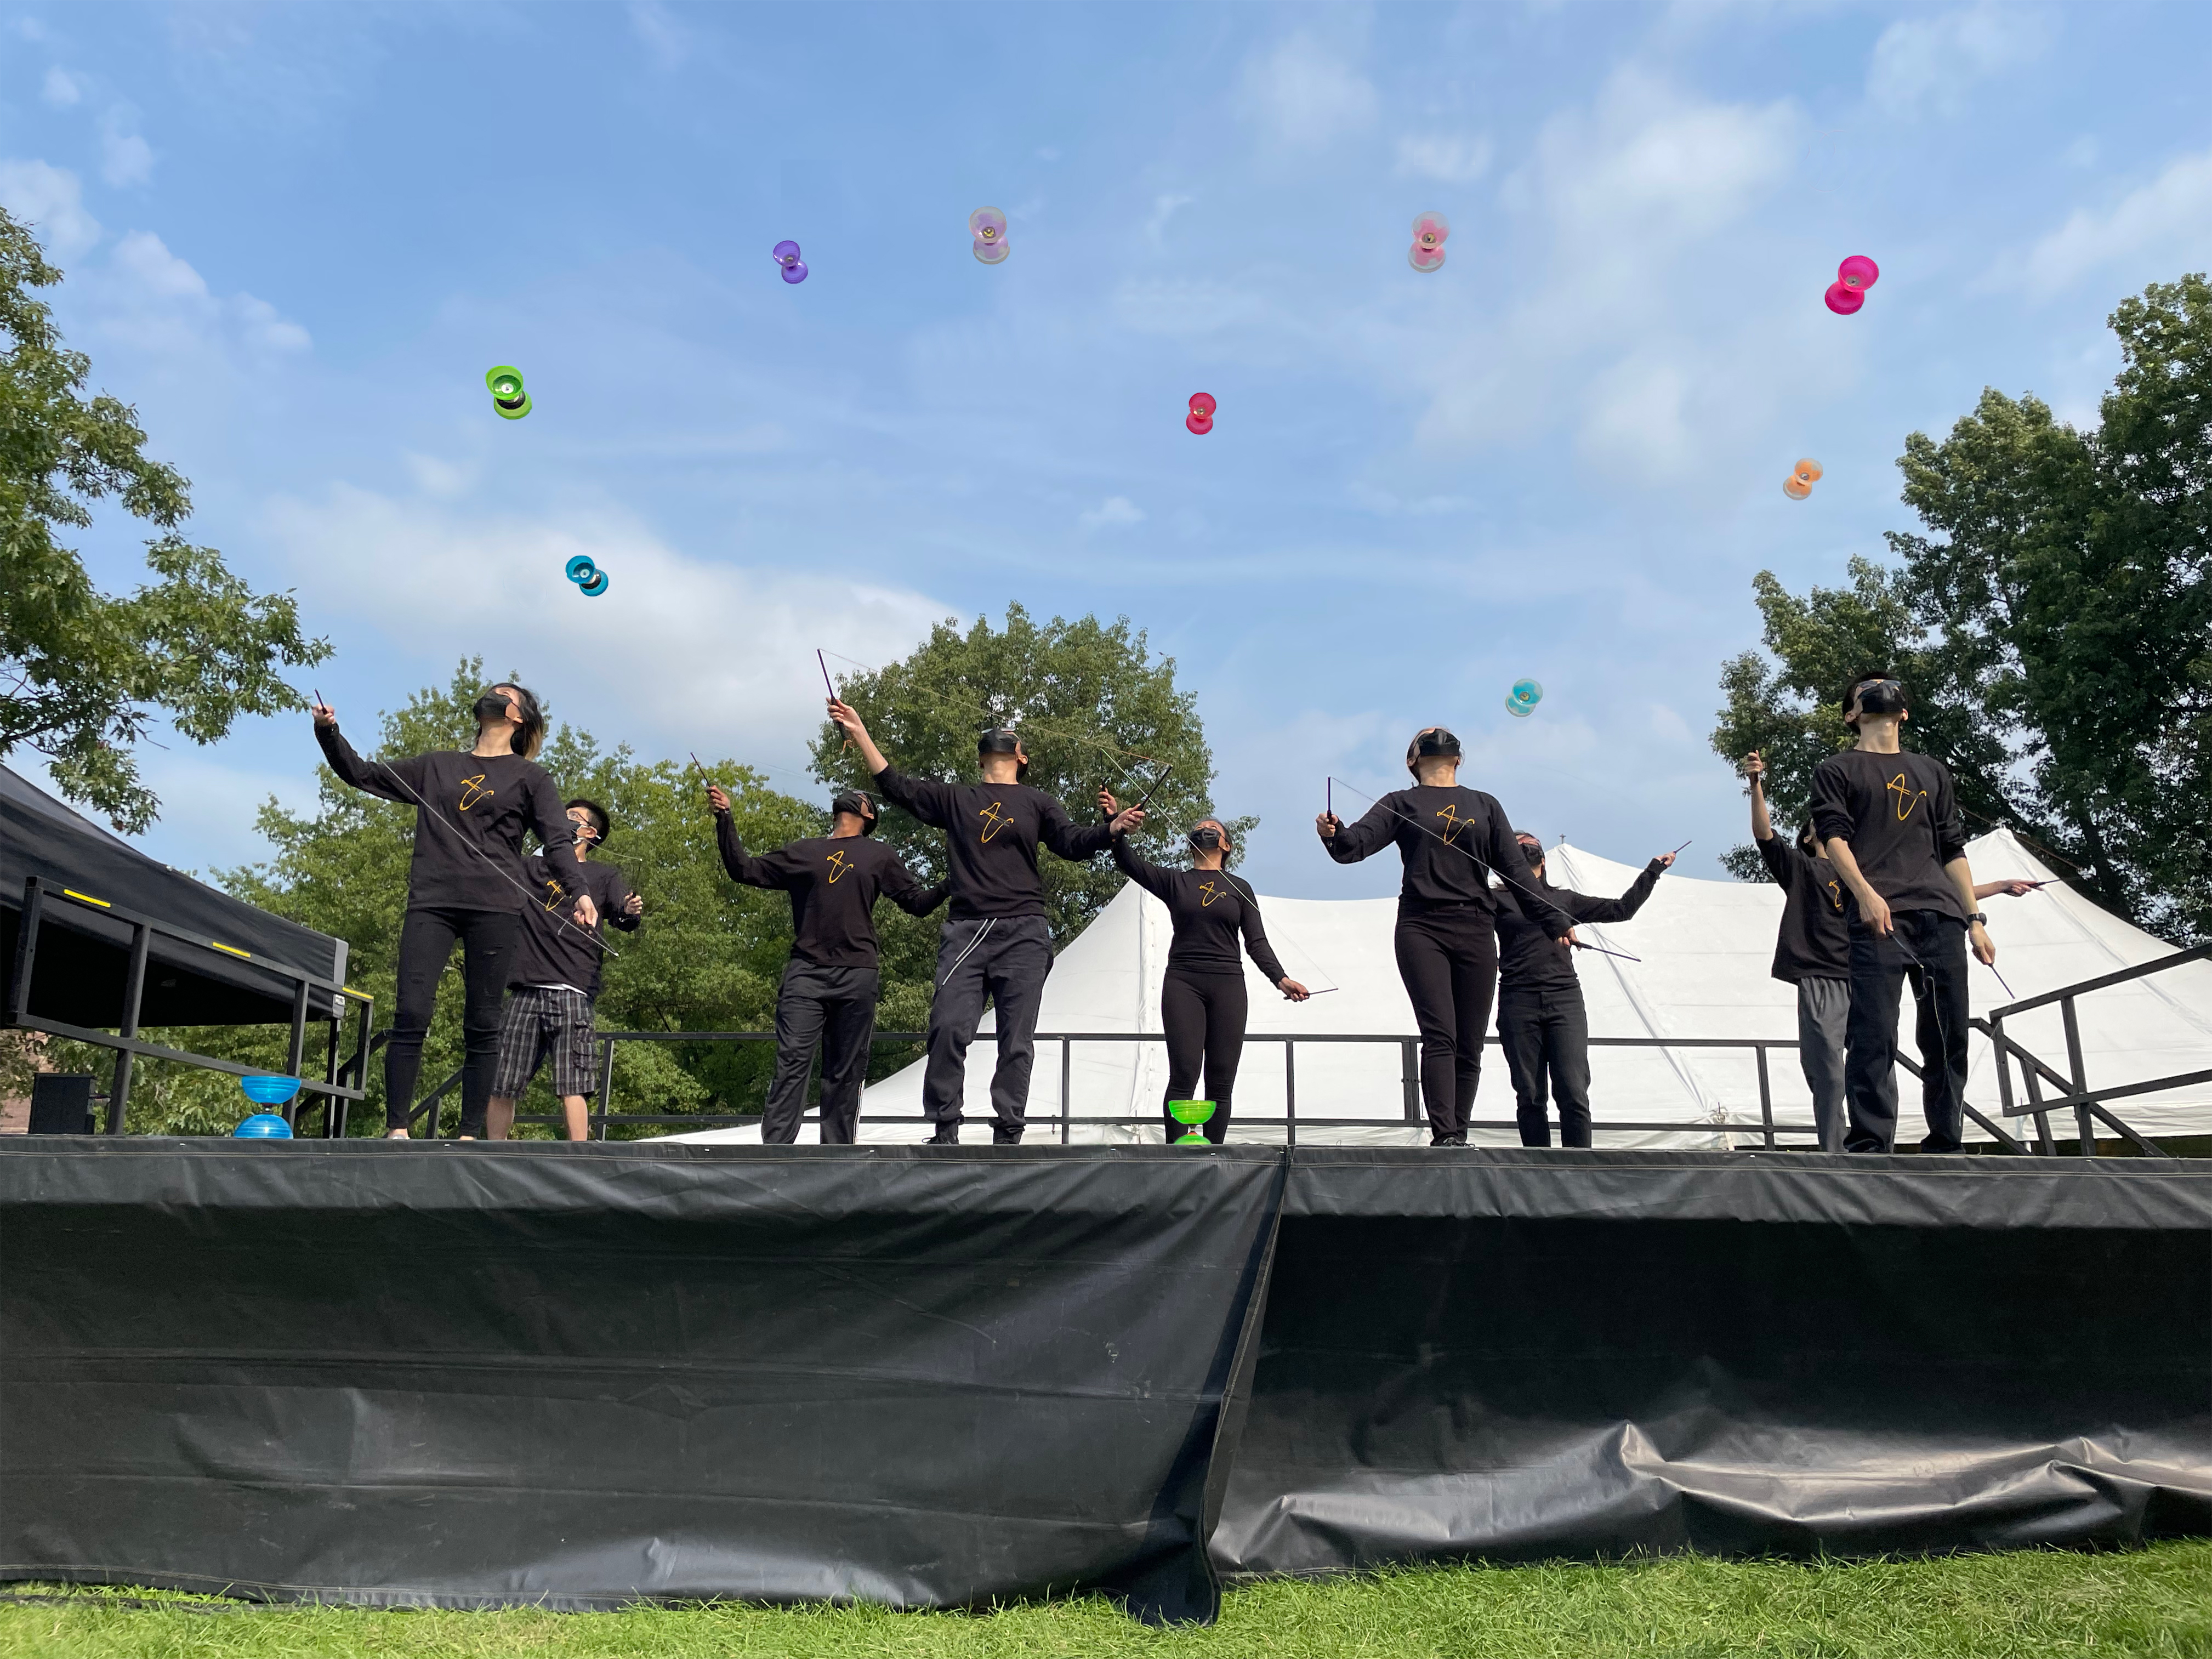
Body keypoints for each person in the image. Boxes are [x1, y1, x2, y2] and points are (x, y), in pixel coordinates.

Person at [825, 700, 1134, 1144]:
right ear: (982, 757)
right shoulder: (956, 798)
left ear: (1020, 756)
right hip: (967, 930)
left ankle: (1008, 1132)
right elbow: (897, 787)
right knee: (948, 1027)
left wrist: (1111, 829)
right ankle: (946, 1128)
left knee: (1015, 1040)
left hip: (1024, 931)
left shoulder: (1038, 802)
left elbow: (1071, 842)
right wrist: (860, 734)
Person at [311, 683, 580, 1140]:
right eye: (489, 693)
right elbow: (363, 774)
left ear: (518, 717)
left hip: (495, 907)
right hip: (432, 903)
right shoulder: (437, 766)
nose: (491, 697)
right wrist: (328, 732)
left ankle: (470, 1134)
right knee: (411, 1013)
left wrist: (581, 893)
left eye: (502, 694)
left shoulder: (531, 777)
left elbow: (557, 841)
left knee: (482, 1021)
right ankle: (397, 1128)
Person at [1317, 728, 1573, 1147]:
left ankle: (1460, 1132)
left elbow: (1516, 873)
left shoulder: (1485, 805)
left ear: (1459, 758)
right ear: (1411, 760)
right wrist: (1333, 833)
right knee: (1440, 1033)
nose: (1436, 736)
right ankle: (1446, 1137)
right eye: (1426, 736)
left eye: (1443, 737)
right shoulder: (1400, 802)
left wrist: (1556, 922)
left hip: (1475, 926)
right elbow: (1353, 847)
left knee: (1470, 1040)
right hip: (1422, 926)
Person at [1811, 672, 1997, 1154]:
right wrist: (1866, 895)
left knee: (1947, 1036)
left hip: (1940, 915)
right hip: (1877, 917)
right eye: (1864, 688)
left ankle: (1945, 1143)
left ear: (1904, 710)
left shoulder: (1932, 771)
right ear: (1851, 713)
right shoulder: (1837, 769)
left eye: (1886, 685)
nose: (1879, 689)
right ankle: (1871, 1146)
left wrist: (1974, 919)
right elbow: (1834, 837)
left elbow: (1953, 849)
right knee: (1873, 1035)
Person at [709, 782, 947, 1143]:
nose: (855, 795)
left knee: (845, 1070)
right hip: (806, 973)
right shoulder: (804, 851)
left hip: (858, 974)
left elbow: (917, 903)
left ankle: (836, 1155)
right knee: (791, 1062)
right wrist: (725, 818)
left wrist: (955, 880)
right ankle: (775, 1151)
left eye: (863, 798)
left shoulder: (878, 854)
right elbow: (743, 870)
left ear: (868, 816)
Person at [1099, 804, 1311, 1143]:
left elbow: (1257, 943)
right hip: (1183, 982)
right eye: (1200, 826)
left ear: (1226, 845)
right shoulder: (1175, 882)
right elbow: (1129, 862)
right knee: (1184, 1072)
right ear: (1192, 841)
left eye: (1214, 827)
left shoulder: (1240, 888)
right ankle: (1176, 1152)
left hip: (1228, 985)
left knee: (1221, 1079)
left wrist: (1281, 980)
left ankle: (1214, 1153)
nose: (1206, 828)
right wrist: (1114, 823)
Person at [1495, 833, 1674, 1149]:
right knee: (1530, 1094)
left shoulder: (1564, 899)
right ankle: (1538, 1172)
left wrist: (1652, 872)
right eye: (1518, 846)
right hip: (1518, 998)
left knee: (1573, 1090)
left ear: (1543, 858)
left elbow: (1622, 909)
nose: (1526, 849)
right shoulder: (1495, 899)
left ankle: (1579, 1168)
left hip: (1564, 998)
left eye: (1531, 845)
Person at [485, 799, 641, 1143]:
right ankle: (491, 1156)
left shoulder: (604, 875)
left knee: (574, 1084)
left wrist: (630, 909)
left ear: (589, 833)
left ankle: (580, 1162)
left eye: (573, 819)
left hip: (573, 992)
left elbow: (623, 916)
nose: (564, 821)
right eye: (562, 816)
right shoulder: (530, 867)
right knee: (502, 1082)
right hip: (525, 990)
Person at [1747, 749, 1853, 1151]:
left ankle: (1874, 1148)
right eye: (1820, 826)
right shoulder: (1801, 868)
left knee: (1874, 1067)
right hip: (1821, 976)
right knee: (1828, 1069)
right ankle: (1834, 1151)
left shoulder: (1863, 876)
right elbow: (1764, 835)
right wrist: (1756, 785)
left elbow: (1928, 894)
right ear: (1809, 837)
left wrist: (1990, 893)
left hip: (1865, 975)